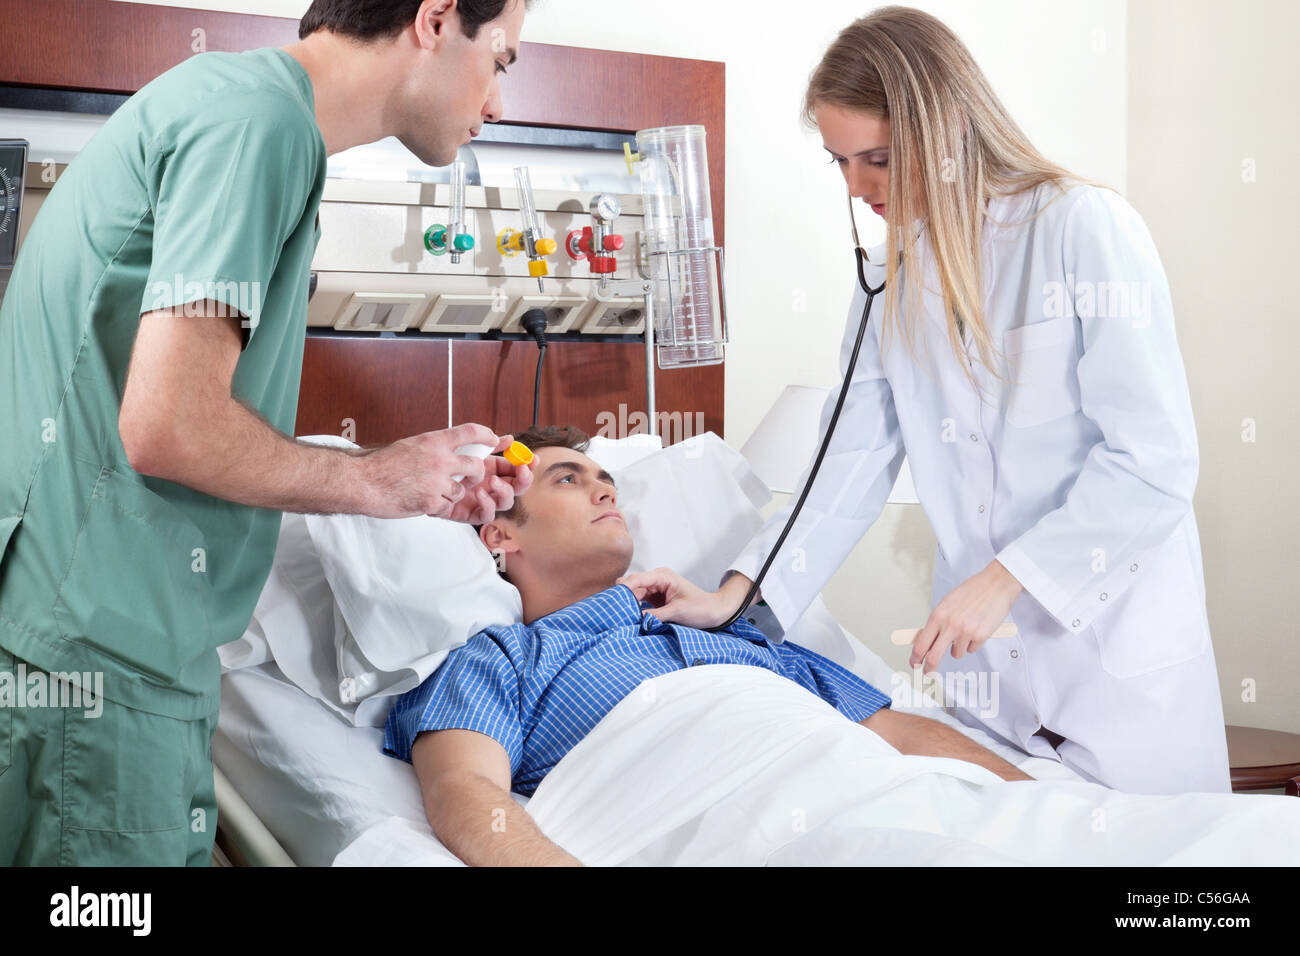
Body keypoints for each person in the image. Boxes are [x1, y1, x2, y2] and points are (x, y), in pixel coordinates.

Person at [622, 6, 1230, 796]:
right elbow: (845, 469)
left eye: (874, 157)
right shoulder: (889, 281)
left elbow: (1153, 463)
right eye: (840, 163)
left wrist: (1009, 576)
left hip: (1123, 670)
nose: (855, 186)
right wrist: (737, 599)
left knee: (1171, 899)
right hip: (991, 687)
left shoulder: (1082, 227)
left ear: (941, 129)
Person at [0, 0, 533, 866]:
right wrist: (373, 482)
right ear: (436, 19)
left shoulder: (233, 105)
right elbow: (170, 425)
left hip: (87, 652)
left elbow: (175, 411)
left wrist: (397, 477)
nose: (501, 100)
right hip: (102, 670)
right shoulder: (260, 126)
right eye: (502, 58)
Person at [382, 425, 1034, 867]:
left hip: (882, 797)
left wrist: (1031, 798)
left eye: (604, 476)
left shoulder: (732, 632)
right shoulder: (502, 659)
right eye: (567, 480)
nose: (605, 489)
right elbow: (465, 790)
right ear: (500, 538)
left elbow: (900, 734)